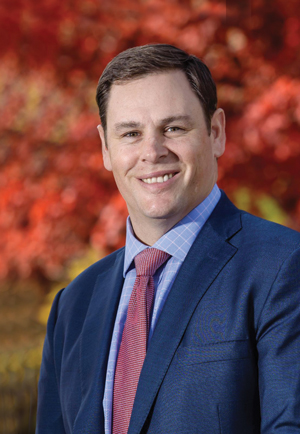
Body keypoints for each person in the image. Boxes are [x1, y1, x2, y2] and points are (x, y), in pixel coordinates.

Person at [36, 44, 300, 434]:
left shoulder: (282, 267)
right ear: (106, 148)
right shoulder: (74, 305)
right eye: (130, 133)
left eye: (174, 128)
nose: (152, 152)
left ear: (215, 133)